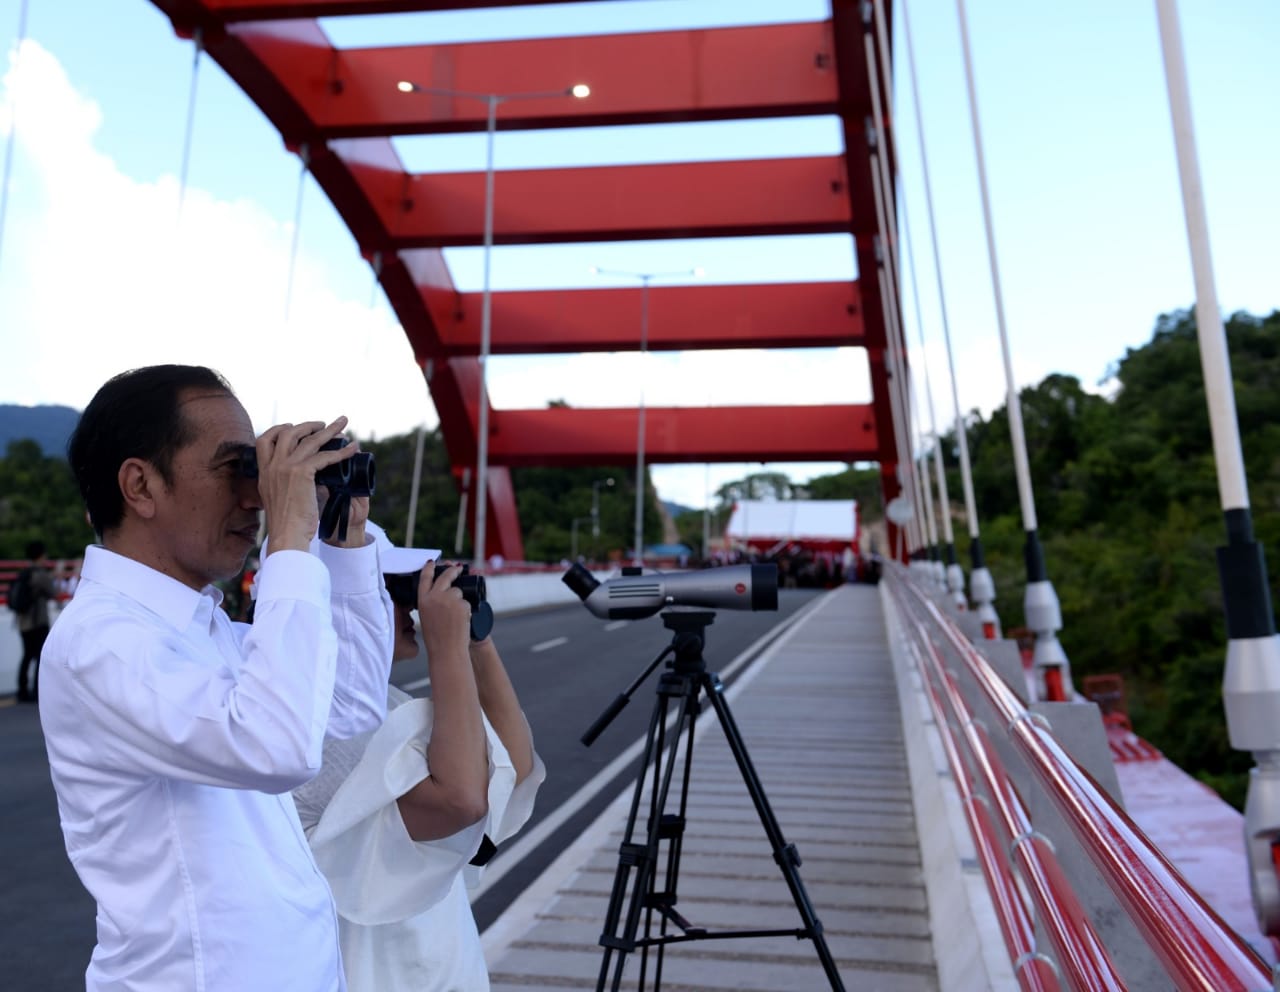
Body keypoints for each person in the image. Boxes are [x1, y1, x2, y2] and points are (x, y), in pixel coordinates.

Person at [40, 364, 394, 991]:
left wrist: (344, 542)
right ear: (140, 486)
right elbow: (275, 747)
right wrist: (289, 540)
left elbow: (351, 704)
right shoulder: (101, 641)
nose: (256, 498)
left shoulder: (205, 630)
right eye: (238, 469)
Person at [293, 524, 545, 992]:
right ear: (336, 600)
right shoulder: (318, 724)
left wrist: (476, 641)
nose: (410, 605)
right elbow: (461, 802)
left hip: (437, 966)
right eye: (390, 590)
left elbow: (512, 768)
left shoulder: (385, 702)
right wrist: (446, 648)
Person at [14, 539, 57, 702]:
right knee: (40, 656)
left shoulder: (23, 574)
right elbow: (52, 592)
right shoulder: (40, 574)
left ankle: (22, 690)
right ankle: (37, 691)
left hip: (23, 622)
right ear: (41, 555)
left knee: (26, 655)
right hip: (38, 621)